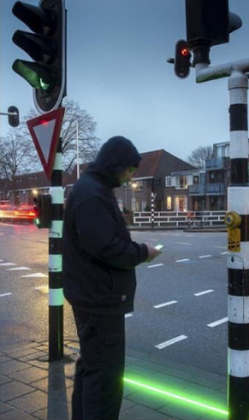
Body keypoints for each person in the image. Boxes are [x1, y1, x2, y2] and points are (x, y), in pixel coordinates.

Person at [63, 136, 161, 420]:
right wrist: (144, 251)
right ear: (116, 164)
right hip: (100, 299)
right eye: (129, 169)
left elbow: (99, 239)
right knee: (105, 379)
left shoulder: (91, 189)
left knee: (91, 368)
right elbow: (106, 248)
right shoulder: (93, 194)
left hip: (93, 296)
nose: (131, 175)